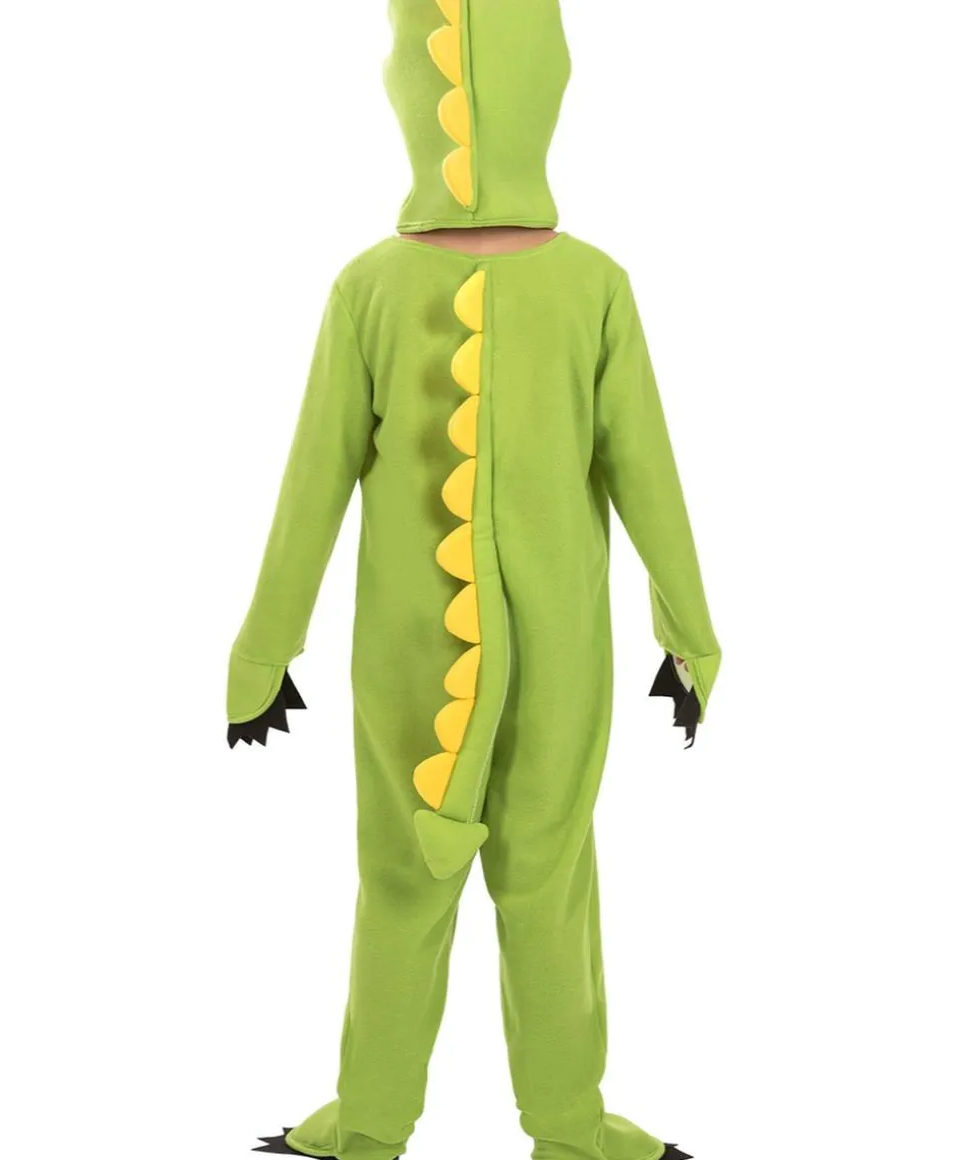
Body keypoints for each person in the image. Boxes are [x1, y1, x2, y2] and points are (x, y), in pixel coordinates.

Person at [226, 3, 720, 1158]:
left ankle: (369, 1122)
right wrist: (689, 634)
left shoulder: (371, 286)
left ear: (410, 94)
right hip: (561, 654)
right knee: (547, 876)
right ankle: (566, 1124)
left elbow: (310, 487)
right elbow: (645, 474)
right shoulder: (591, 285)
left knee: (403, 872)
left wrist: (262, 654)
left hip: (409, 659)